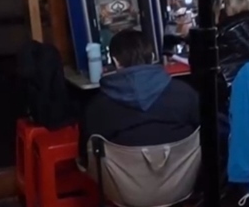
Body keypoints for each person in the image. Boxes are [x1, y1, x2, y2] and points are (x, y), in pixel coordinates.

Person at [77, 29, 200, 168]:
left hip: (119, 181)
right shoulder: (185, 93)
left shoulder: (97, 107)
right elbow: (211, 136)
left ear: (115, 61)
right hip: (182, 178)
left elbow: (86, 159)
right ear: (152, 57)